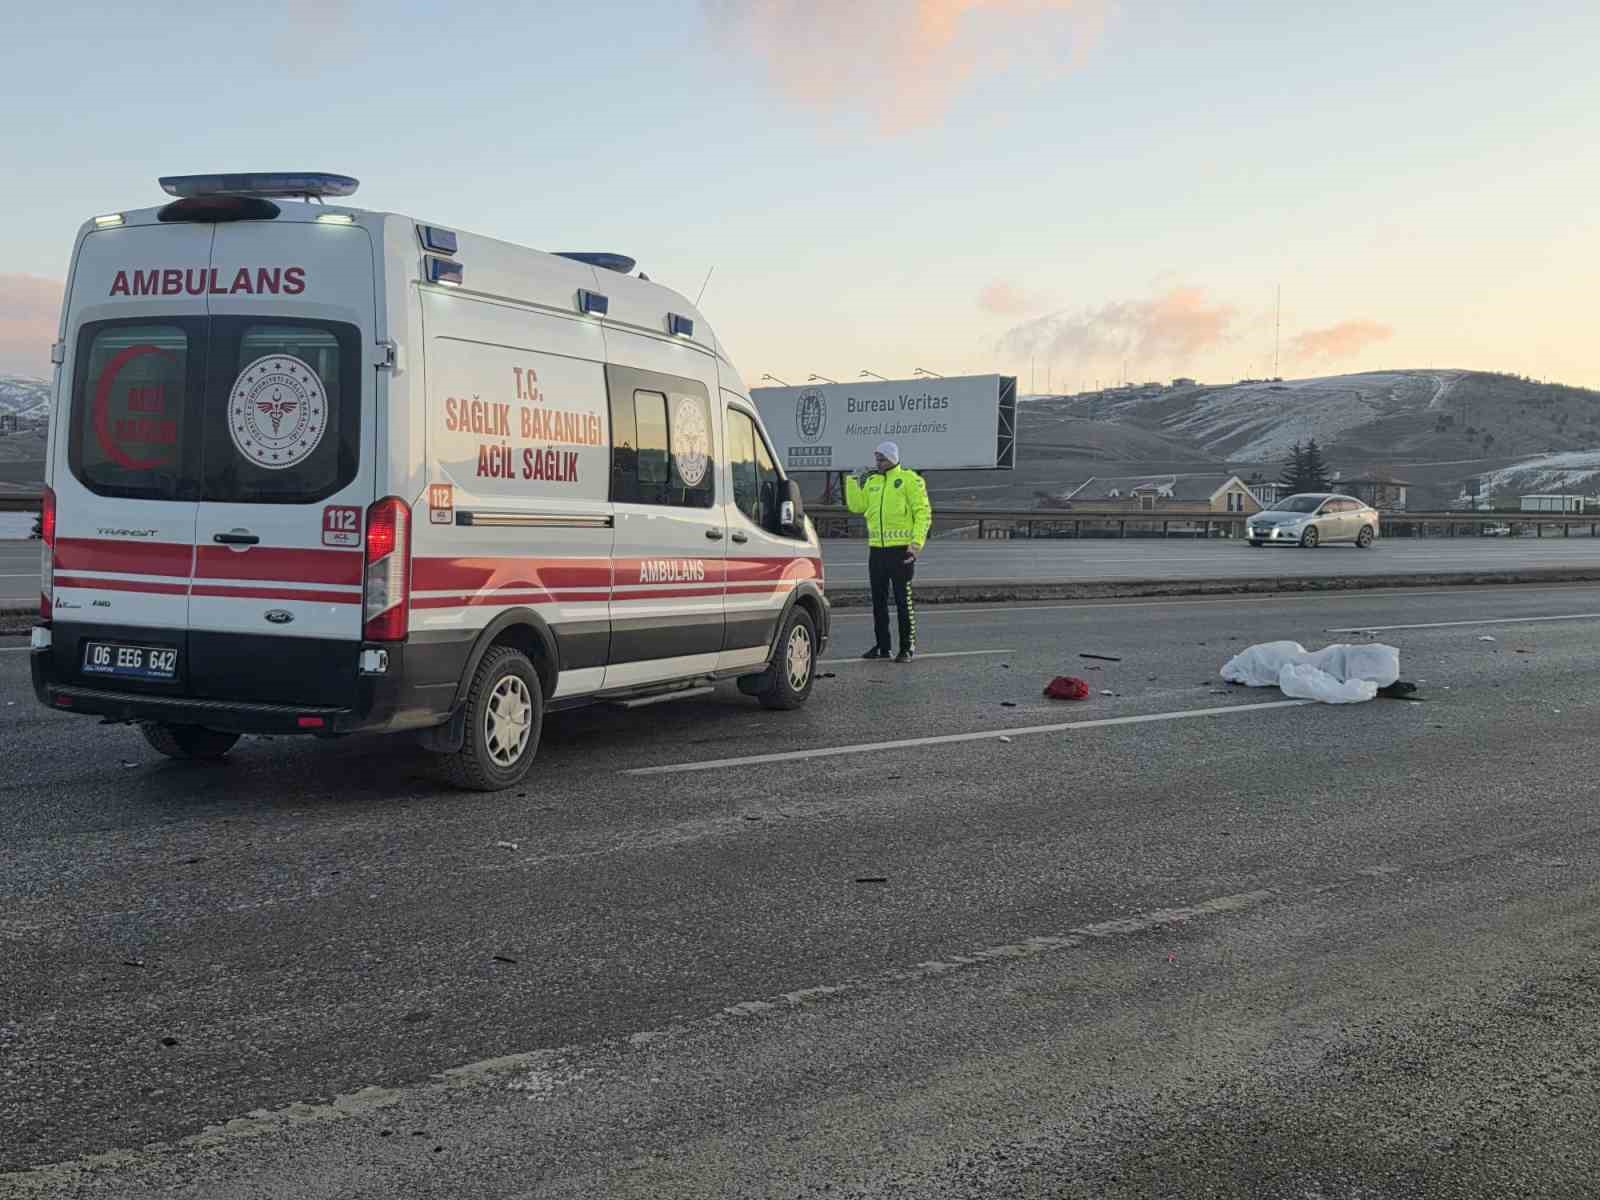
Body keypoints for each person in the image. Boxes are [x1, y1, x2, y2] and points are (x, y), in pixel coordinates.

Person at [843, 441, 932, 662]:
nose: (878, 462)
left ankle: (907, 648)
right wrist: (853, 480)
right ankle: (883, 647)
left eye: (881, 458)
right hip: (877, 551)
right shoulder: (872, 481)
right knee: (878, 601)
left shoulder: (910, 480)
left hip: (902, 551)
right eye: (876, 458)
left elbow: (923, 513)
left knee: (903, 601)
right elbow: (857, 506)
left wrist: (916, 544)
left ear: (892, 457)